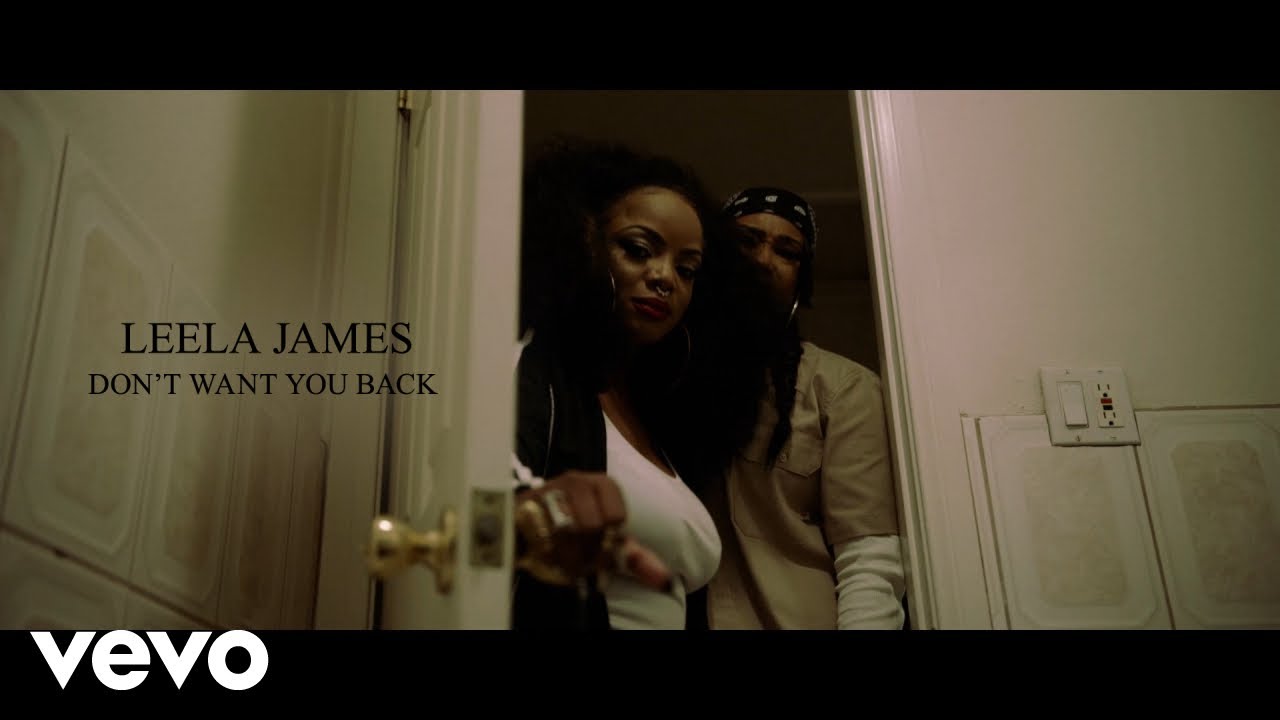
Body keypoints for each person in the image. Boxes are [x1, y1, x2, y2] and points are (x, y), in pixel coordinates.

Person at [506, 136, 767, 630]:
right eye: (638, 249)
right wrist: (528, 513)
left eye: (687, 270)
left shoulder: (656, 421)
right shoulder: (532, 372)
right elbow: (484, 500)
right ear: (583, 244)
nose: (665, 277)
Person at [689, 186, 908, 630]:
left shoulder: (842, 388)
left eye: (786, 251)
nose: (762, 260)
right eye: (746, 241)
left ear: (801, 280)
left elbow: (869, 560)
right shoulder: (663, 373)